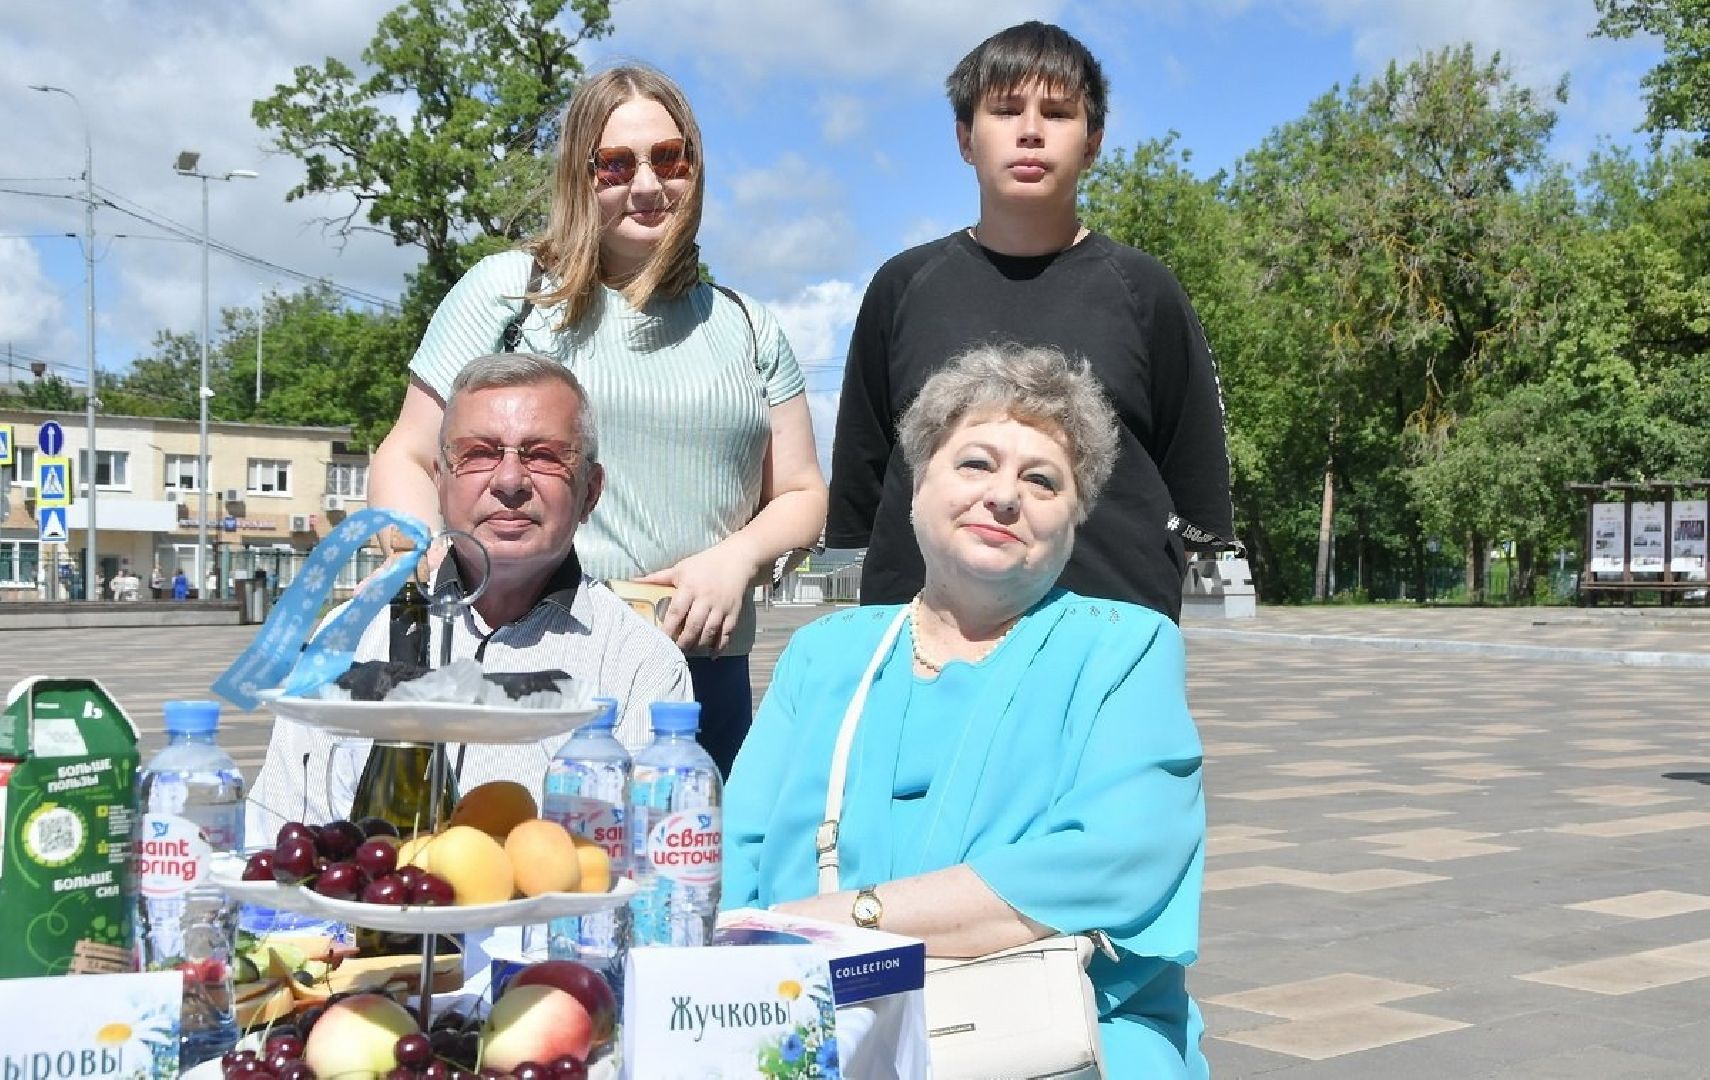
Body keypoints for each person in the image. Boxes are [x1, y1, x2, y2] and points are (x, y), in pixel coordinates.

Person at [726, 344, 1208, 1076]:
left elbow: (1114, 861)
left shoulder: (1125, 649)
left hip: (1059, 1040)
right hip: (811, 1032)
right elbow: (740, 859)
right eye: (976, 463)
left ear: (1073, 520)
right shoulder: (824, 654)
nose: (1005, 496)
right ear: (919, 486)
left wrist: (851, 917)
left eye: (1042, 481)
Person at [368, 64, 827, 777]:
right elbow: (405, 455)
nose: (647, 185)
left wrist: (736, 558)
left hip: (702, 674)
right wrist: (427, 551)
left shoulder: (747, 325)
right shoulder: (509, 294)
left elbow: (802, 493)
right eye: (615, 165)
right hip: (530, 660)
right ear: (580, 178)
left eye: (670, 159)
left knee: (684, 882)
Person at [827, 21, 1233, 623]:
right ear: (965, 138)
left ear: (1093, 143)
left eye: (1060, 113)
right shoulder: (903, 287)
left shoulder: (1147, 292)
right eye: (1006, 109)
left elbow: (1193, 485)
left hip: (1109, 632)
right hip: (926, 637)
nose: (1032, 132)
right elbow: (863, 480)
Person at [248, 353, 694, 840]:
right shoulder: (354, 635)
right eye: (479, 453)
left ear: (590, 491)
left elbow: (641, 877)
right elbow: (276, 836)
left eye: (543, 455)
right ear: (439, 482)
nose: (508, 481)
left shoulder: (640, 666)